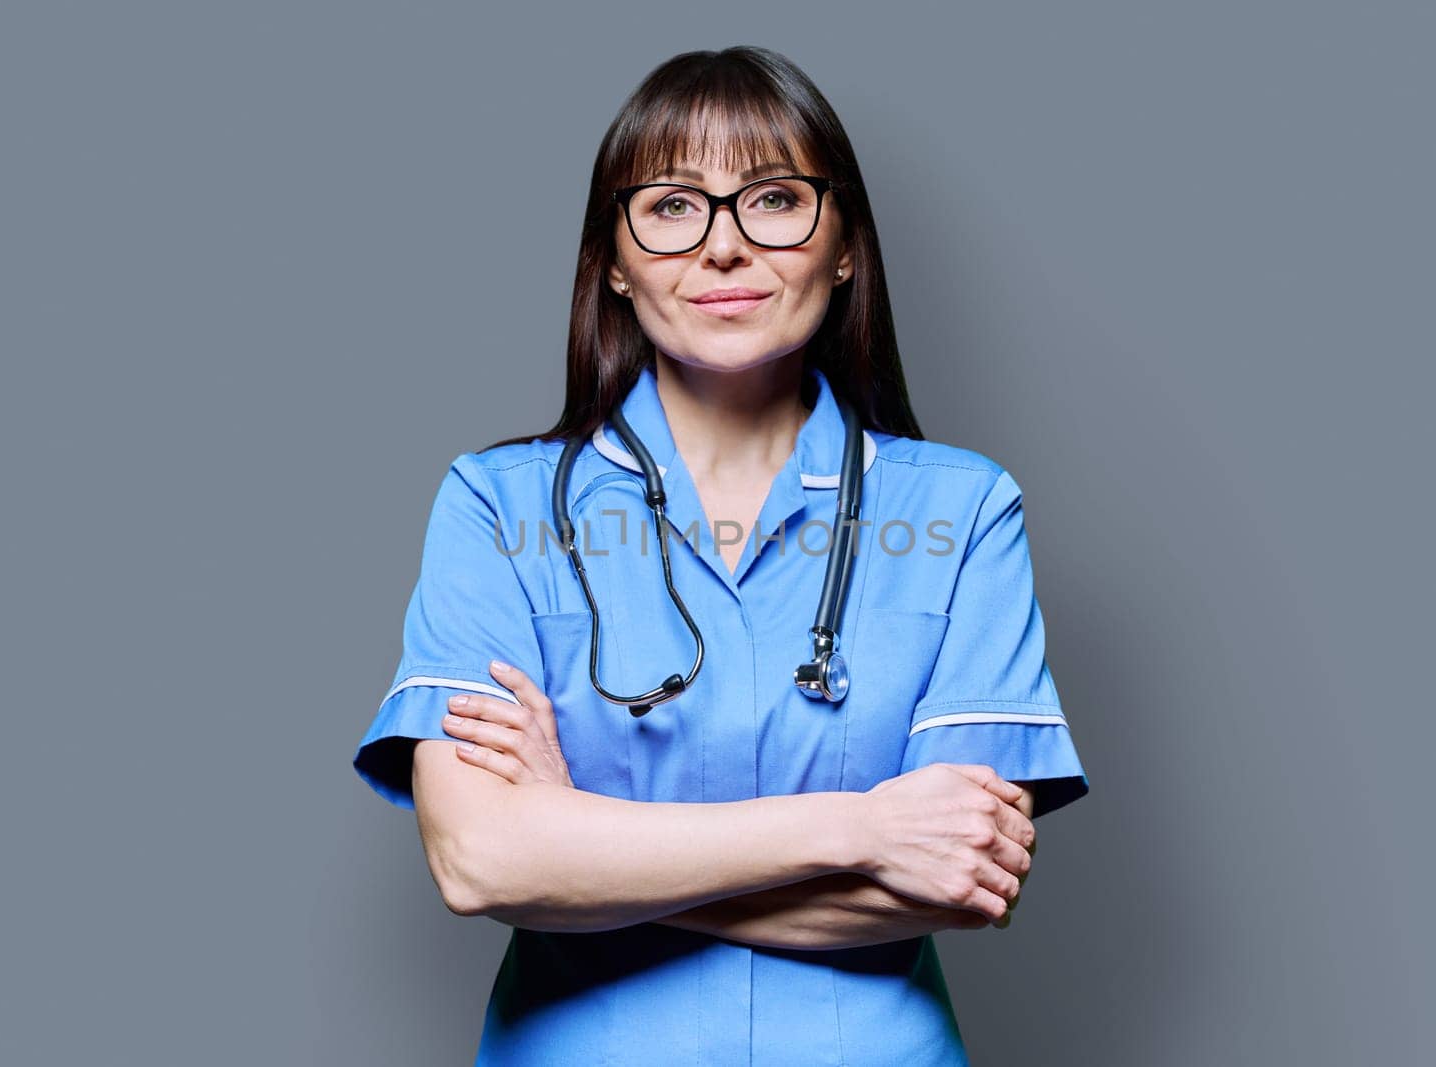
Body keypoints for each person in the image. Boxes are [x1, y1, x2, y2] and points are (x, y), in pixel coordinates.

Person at [352, 45, 1089, 1066]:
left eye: (774, 199)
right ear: (611, 257)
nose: (724, 247)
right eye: (670, 206)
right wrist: (860, 827)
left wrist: (575, 840)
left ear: (843, 246)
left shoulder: (963, 511)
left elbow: (963, 878)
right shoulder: (497, 503)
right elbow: (480, 860)